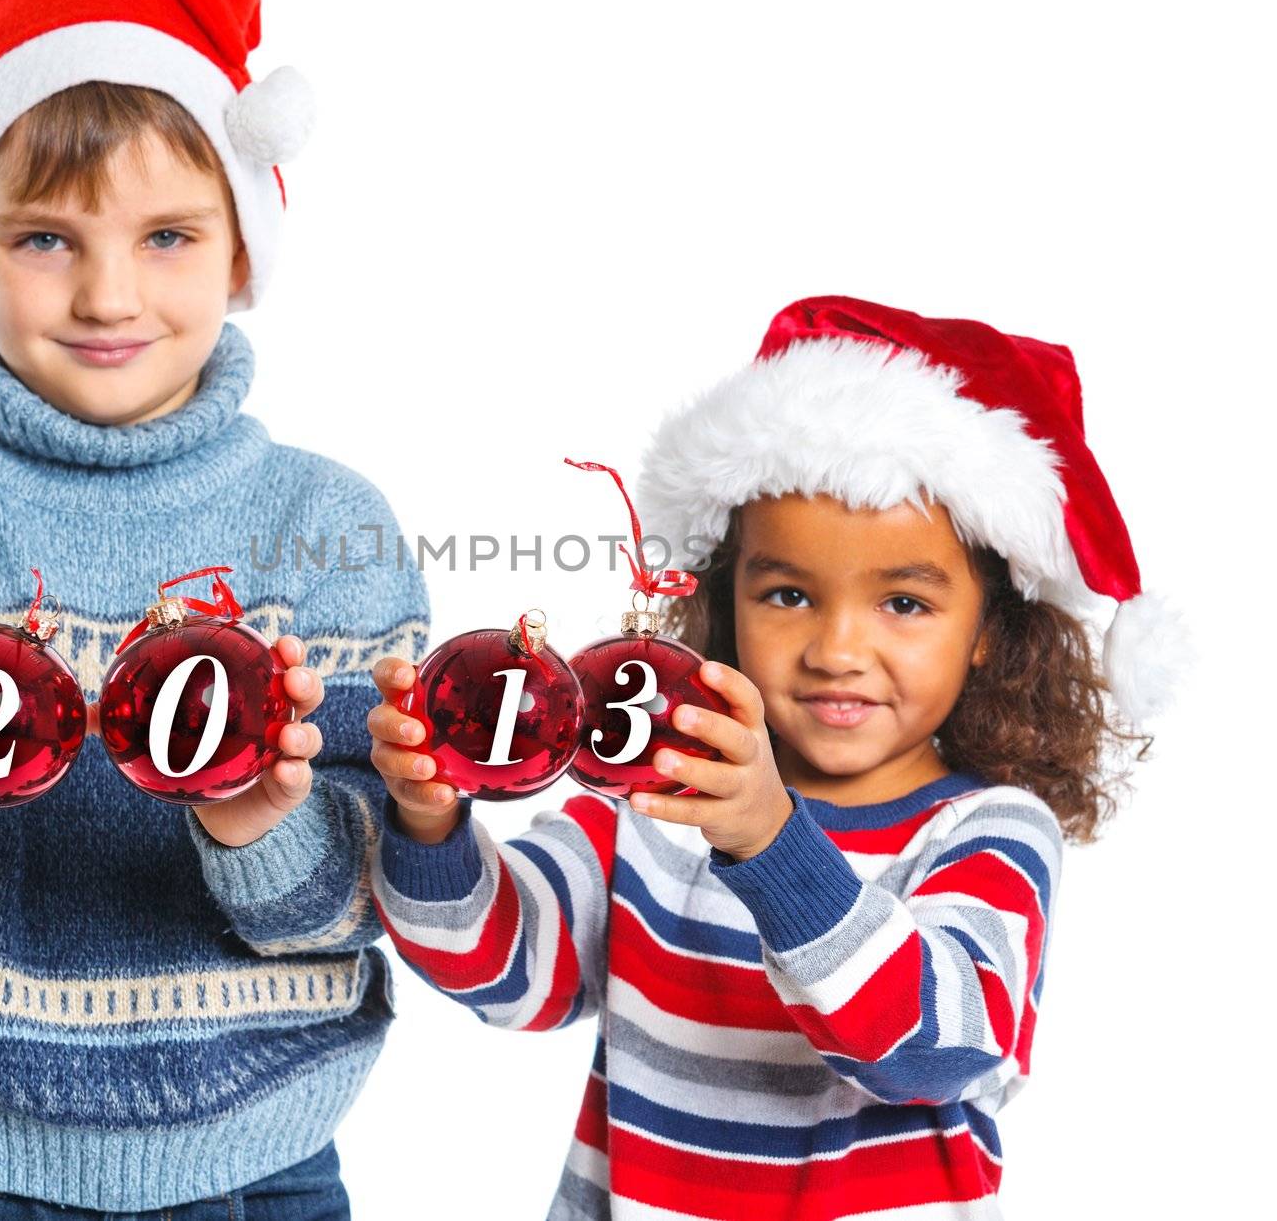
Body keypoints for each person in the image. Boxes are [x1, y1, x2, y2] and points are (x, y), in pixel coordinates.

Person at [0, 0, 428, 1217]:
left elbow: (365, 892)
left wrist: (255, 815)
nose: (109, 291)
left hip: (265, 1159)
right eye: (45, 240)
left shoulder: (334, 527)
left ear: (245, 250)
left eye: (169, 234)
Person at [364, 295, 1188, 1219]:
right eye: (789, 595)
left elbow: (930, 1051)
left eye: (904, 604)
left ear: (991, 629)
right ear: (725, 604)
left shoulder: (990, 830)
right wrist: (430, 820)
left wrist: (768, 838)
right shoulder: (649, 797)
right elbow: (511, 973)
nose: (837, 649)